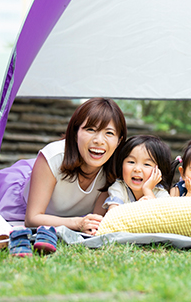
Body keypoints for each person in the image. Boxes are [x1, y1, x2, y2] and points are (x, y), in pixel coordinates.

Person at [23, 97, 127, 235]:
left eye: (109, 133)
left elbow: (97, 223)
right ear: (75, 132)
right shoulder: (52, 157)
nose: (99, 141)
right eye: (91, 129)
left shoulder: (115, 168)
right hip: (24, 206)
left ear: (119, 141)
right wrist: (77, 223)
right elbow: (32, 218)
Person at [102, 135, 173, 211]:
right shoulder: (119, 188)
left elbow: (162, 218)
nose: (137, 169)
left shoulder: (160, 193)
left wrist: (148, 190)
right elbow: (113, 215)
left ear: (159, 171)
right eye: (131, 162)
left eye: (147, 164)